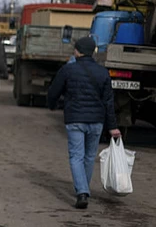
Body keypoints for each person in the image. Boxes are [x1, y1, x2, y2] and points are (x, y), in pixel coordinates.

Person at [47, 36, 121, 210]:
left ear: (78, 51)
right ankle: (83, 190)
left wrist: (52, 105)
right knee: (88, 157)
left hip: (75, 119)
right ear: (93, 51)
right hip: (96, 121)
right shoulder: (103, 72)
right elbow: (109, 102)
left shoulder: (68, 70)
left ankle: (82, 192)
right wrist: (113, 127)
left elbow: (53, 91)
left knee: (76, 156)